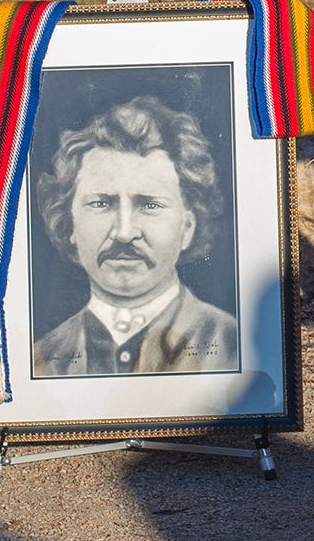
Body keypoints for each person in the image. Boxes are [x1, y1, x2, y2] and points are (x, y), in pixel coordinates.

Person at [32, 96, 239, 377]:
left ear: (187, 227)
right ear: (69, 224)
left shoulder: (234, 345)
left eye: (150, 205)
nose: (124, 233)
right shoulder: (40, 361)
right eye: (101, 203)